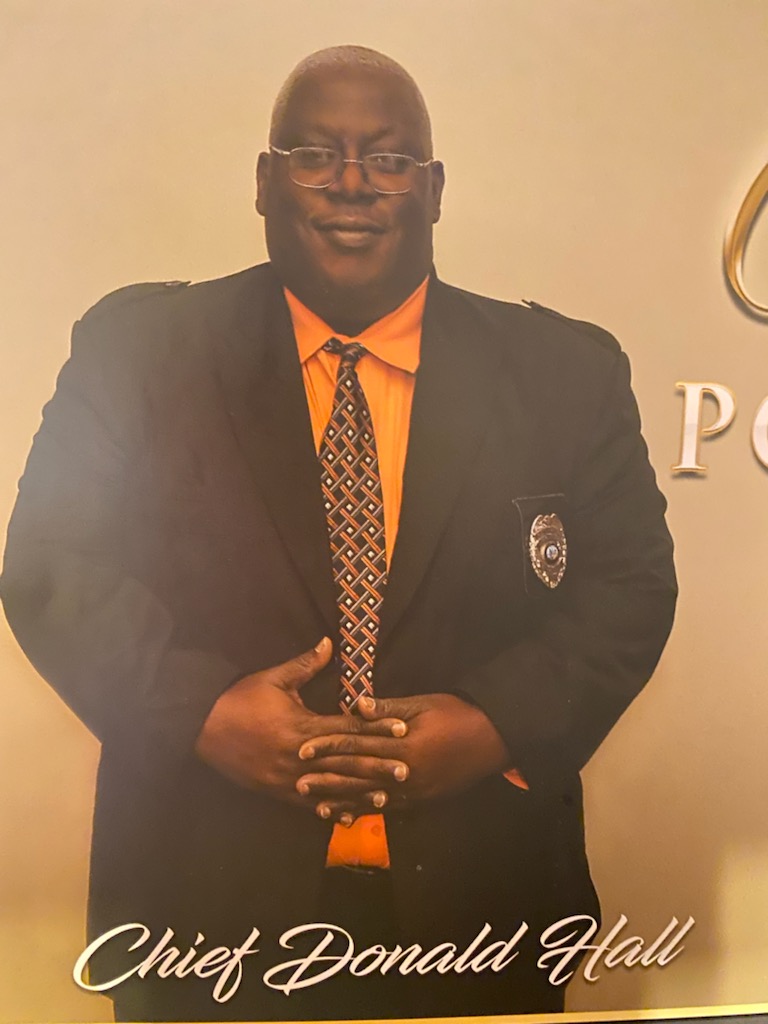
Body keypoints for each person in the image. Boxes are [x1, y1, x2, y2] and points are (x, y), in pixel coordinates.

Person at [1, 45, 677, 1023]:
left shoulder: (564, 372)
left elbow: (631, 587)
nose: (352, 183)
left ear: (434, 190)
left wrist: (494, 724)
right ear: (264, 180)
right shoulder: (140, 353)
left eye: (388, 159)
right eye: (315, 152)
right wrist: (202, 712)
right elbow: (50, 564)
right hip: (204, 913)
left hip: (481, 909)